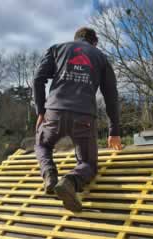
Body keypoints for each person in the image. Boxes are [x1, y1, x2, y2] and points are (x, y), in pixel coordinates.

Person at [33, 27, 122, 212]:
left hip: (54, 113)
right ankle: (70, 182)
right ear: (94, 42)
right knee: (88, 164)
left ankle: (49, 175)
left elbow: (38, 79)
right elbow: (111, 96)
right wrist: (114, 131)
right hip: (84, 116)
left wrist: (41, 110)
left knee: (42, 145)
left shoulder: (57, 49)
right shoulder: (100, 58)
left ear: (75, 38)